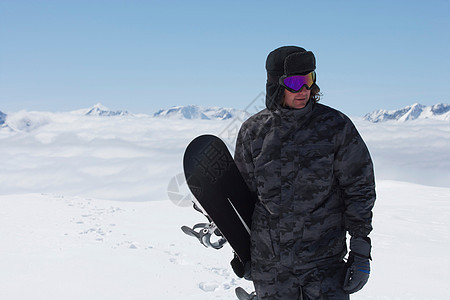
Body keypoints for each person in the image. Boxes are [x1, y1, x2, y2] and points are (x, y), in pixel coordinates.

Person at [234, 46, 376, 299]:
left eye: (309, 80)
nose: (304, 90)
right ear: (275, 85)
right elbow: (244, 199)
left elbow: (359, 189)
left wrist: (360, 248)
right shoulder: (253, 132)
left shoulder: (335, 126)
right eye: (295, 82)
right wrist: (243, 251)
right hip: (271, 266)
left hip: (325, 262)